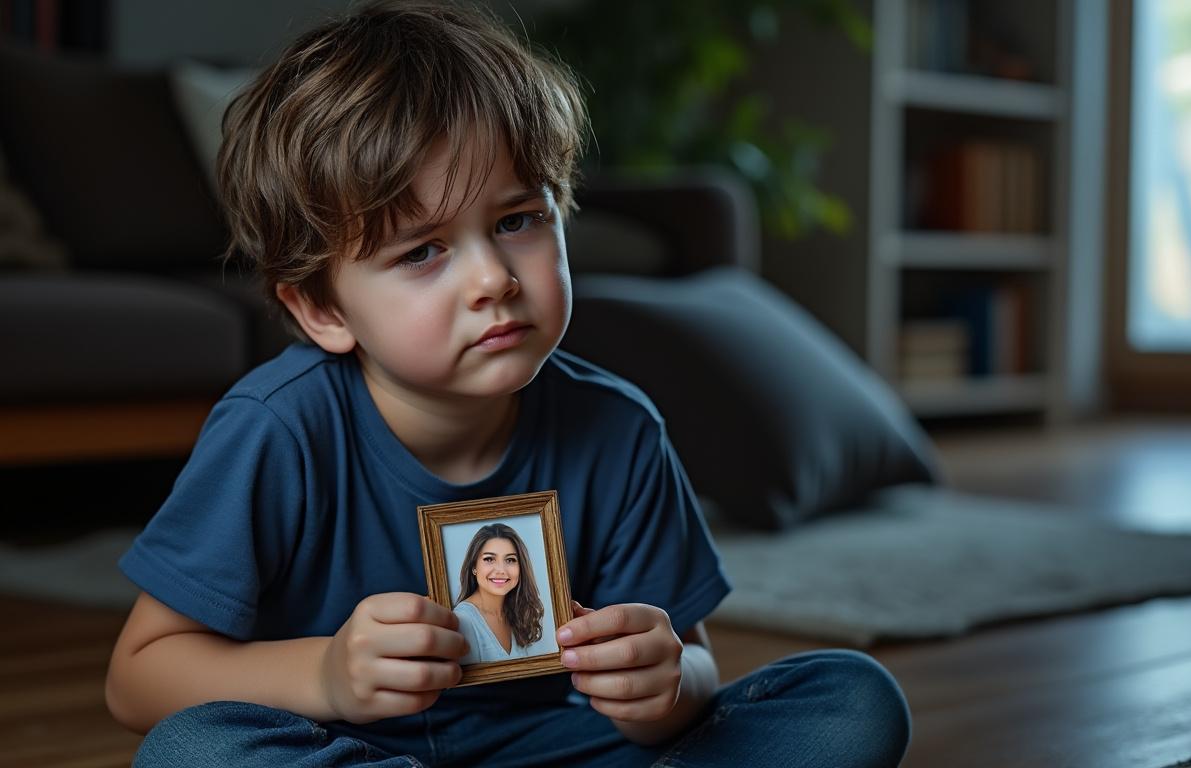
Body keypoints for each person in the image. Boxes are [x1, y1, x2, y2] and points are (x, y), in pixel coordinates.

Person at [104, 1, 912, 766]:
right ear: (321, 308)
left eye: (517, 220)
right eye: (421, 251)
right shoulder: (277, 430)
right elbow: (138, 678)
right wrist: (325, 676)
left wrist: (660, 686)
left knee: (852, 699)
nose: (492, 277)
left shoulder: (618, 430)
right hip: (344, 747)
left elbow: (691, 669)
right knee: (191, 752)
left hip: (559, 746)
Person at [452, 523, 548, 664]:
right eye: (489, 559)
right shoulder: (463, 620)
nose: (501, 570)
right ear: (474, 567)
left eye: (510, 560)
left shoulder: (516, 614)